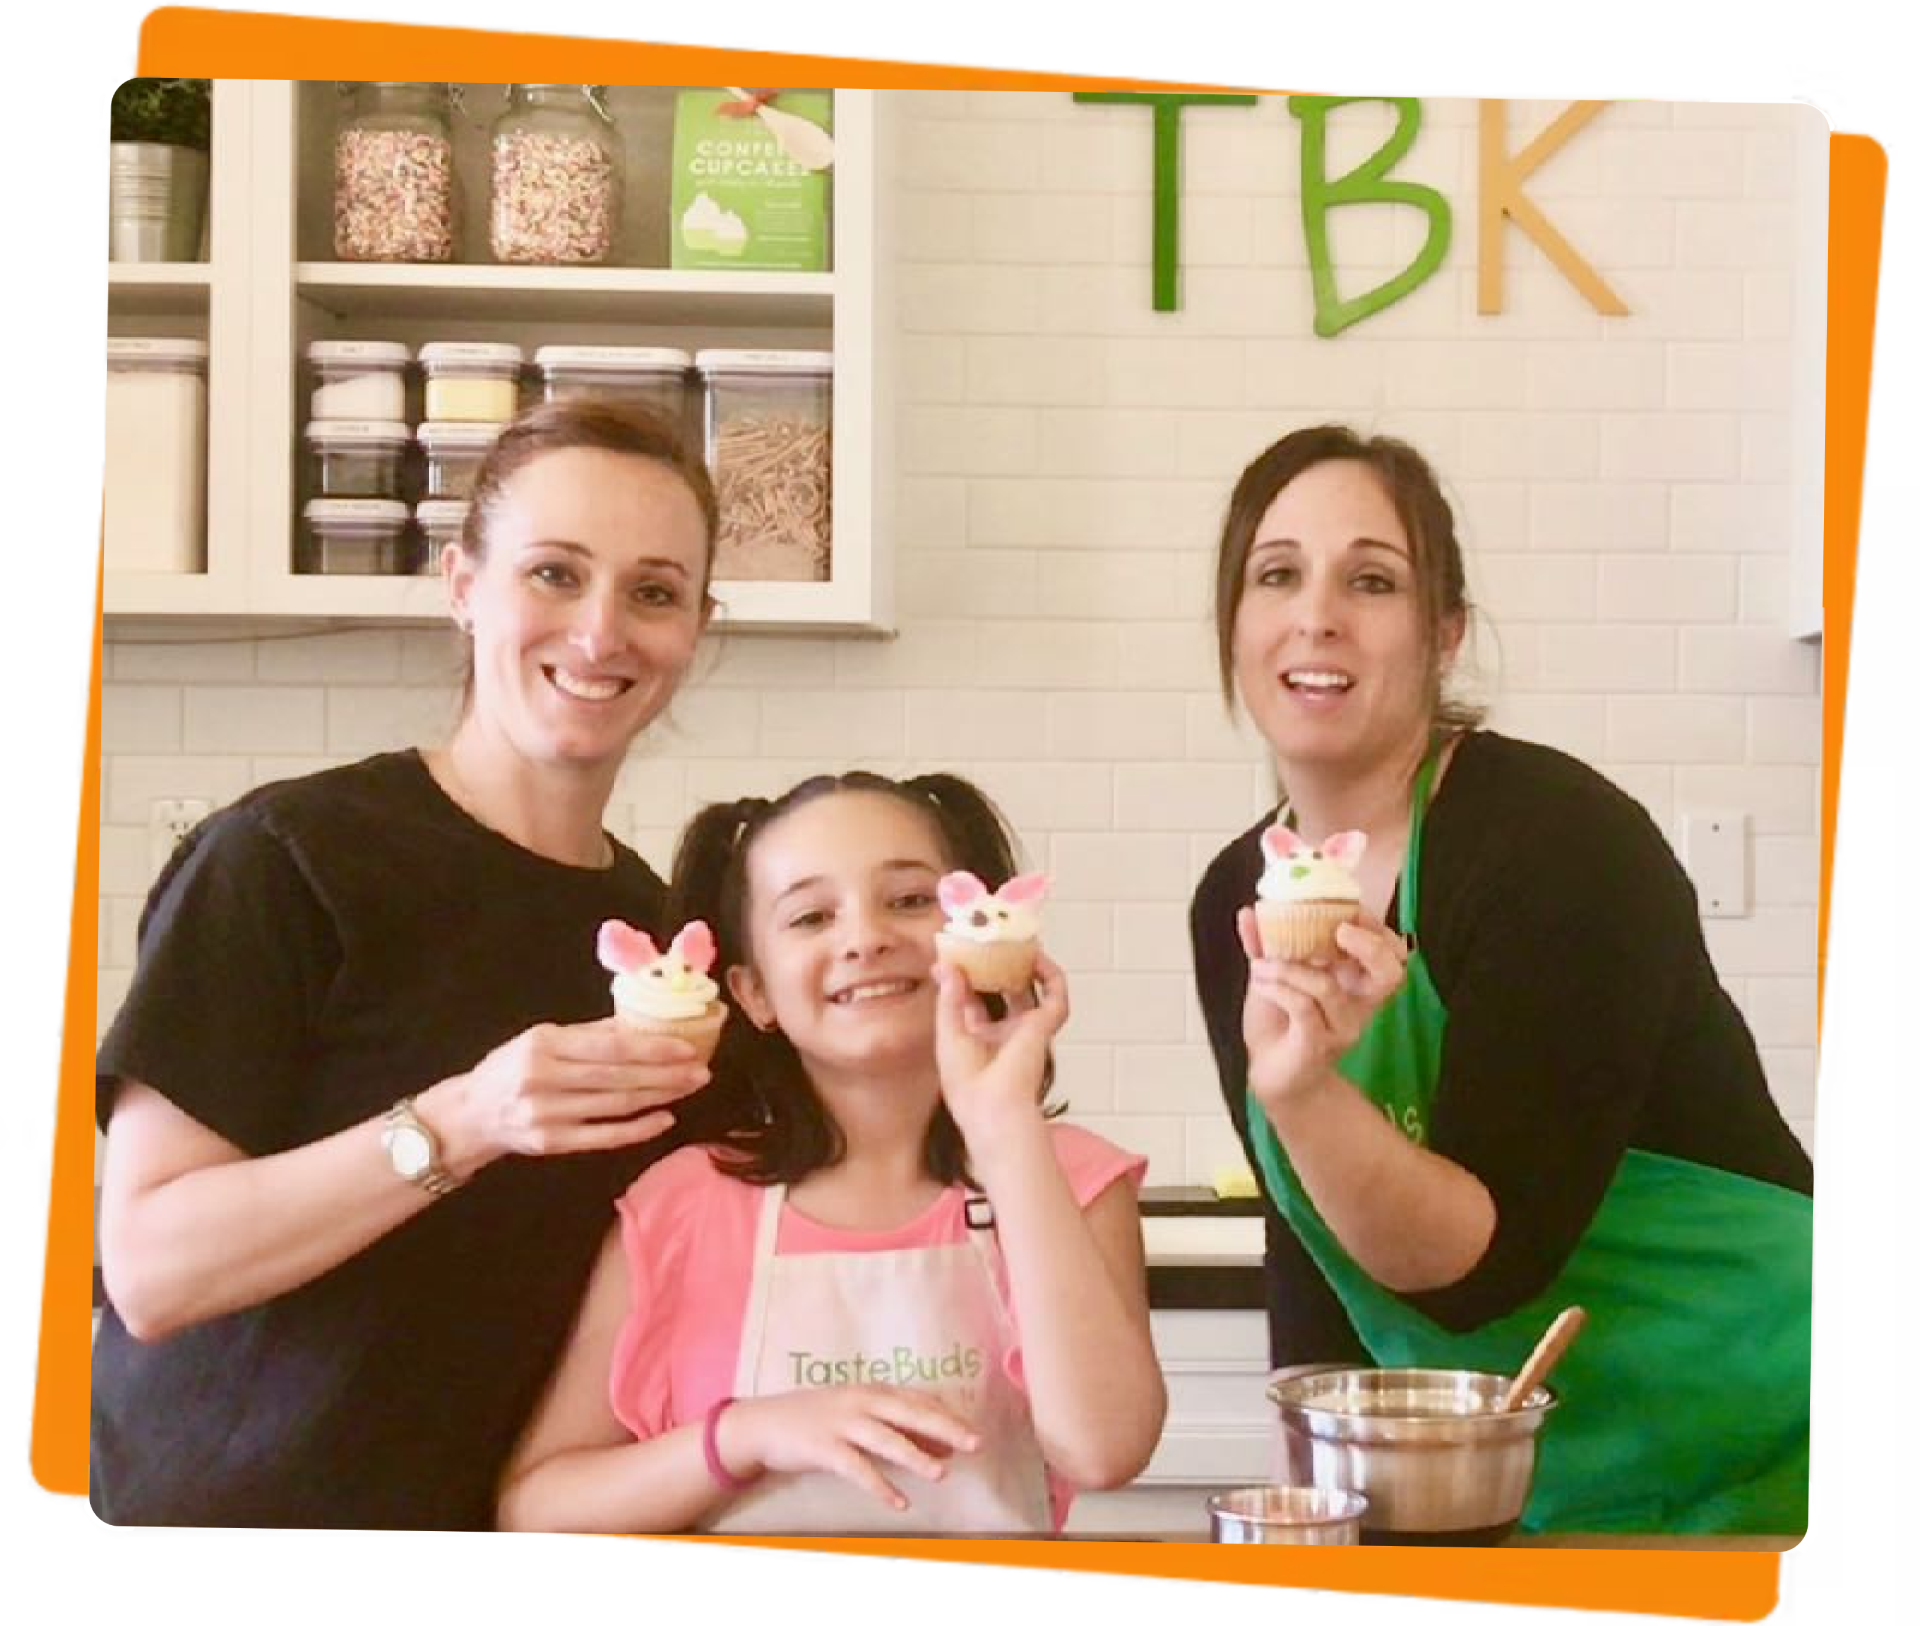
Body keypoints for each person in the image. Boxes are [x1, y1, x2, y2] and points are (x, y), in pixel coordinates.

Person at [90, 399, 749, 1530]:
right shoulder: (287, 860)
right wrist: (467, 1119)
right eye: (554, 574)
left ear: (699, 627)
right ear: (463, 585)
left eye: (654, 592)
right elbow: (153, 1268)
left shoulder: (659, 948)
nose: (601, 634)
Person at [1188, 424, 1814, 1537]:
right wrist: (1319, 1504)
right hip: (1494, 1484)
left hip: (1747, 1454)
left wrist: (1306, 1093)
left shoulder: (1557, 845)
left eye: (1372, 581)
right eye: (1275, 575)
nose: (1315, 615)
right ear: (1233, 625)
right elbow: (1309, 1248)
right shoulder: (1235, 896)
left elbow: (1479, 1272)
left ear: (1445, 634)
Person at [497, 772, 1167, 1535]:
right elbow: (537, 1510)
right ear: (753, 993)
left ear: (978, 934)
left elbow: (1105, 1449)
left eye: (909, 900)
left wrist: (1005, 1128)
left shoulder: (1071, 1178)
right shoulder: (682, 1201)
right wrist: (743, 1436)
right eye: (812, 916)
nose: (865, 937)